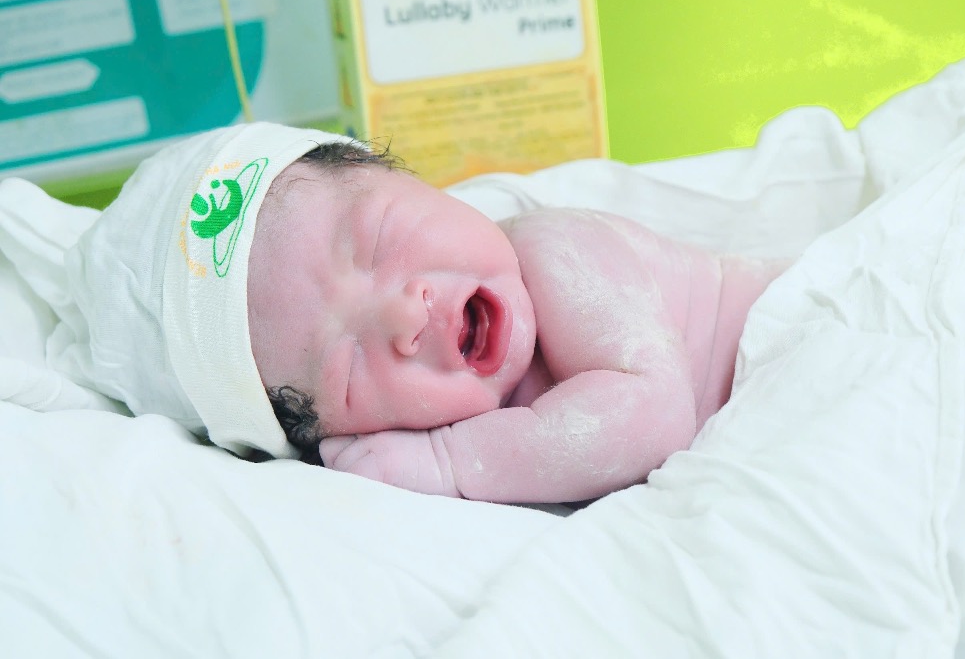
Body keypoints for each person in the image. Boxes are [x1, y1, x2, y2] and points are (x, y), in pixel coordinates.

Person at [31, 122, 786, 504]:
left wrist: (451, 466)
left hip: (792, 346)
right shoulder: (427, 435)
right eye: (347, 367)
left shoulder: (558, 252)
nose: (404, 316)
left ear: (406, 175)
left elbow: (654, 416)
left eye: (379, 239)